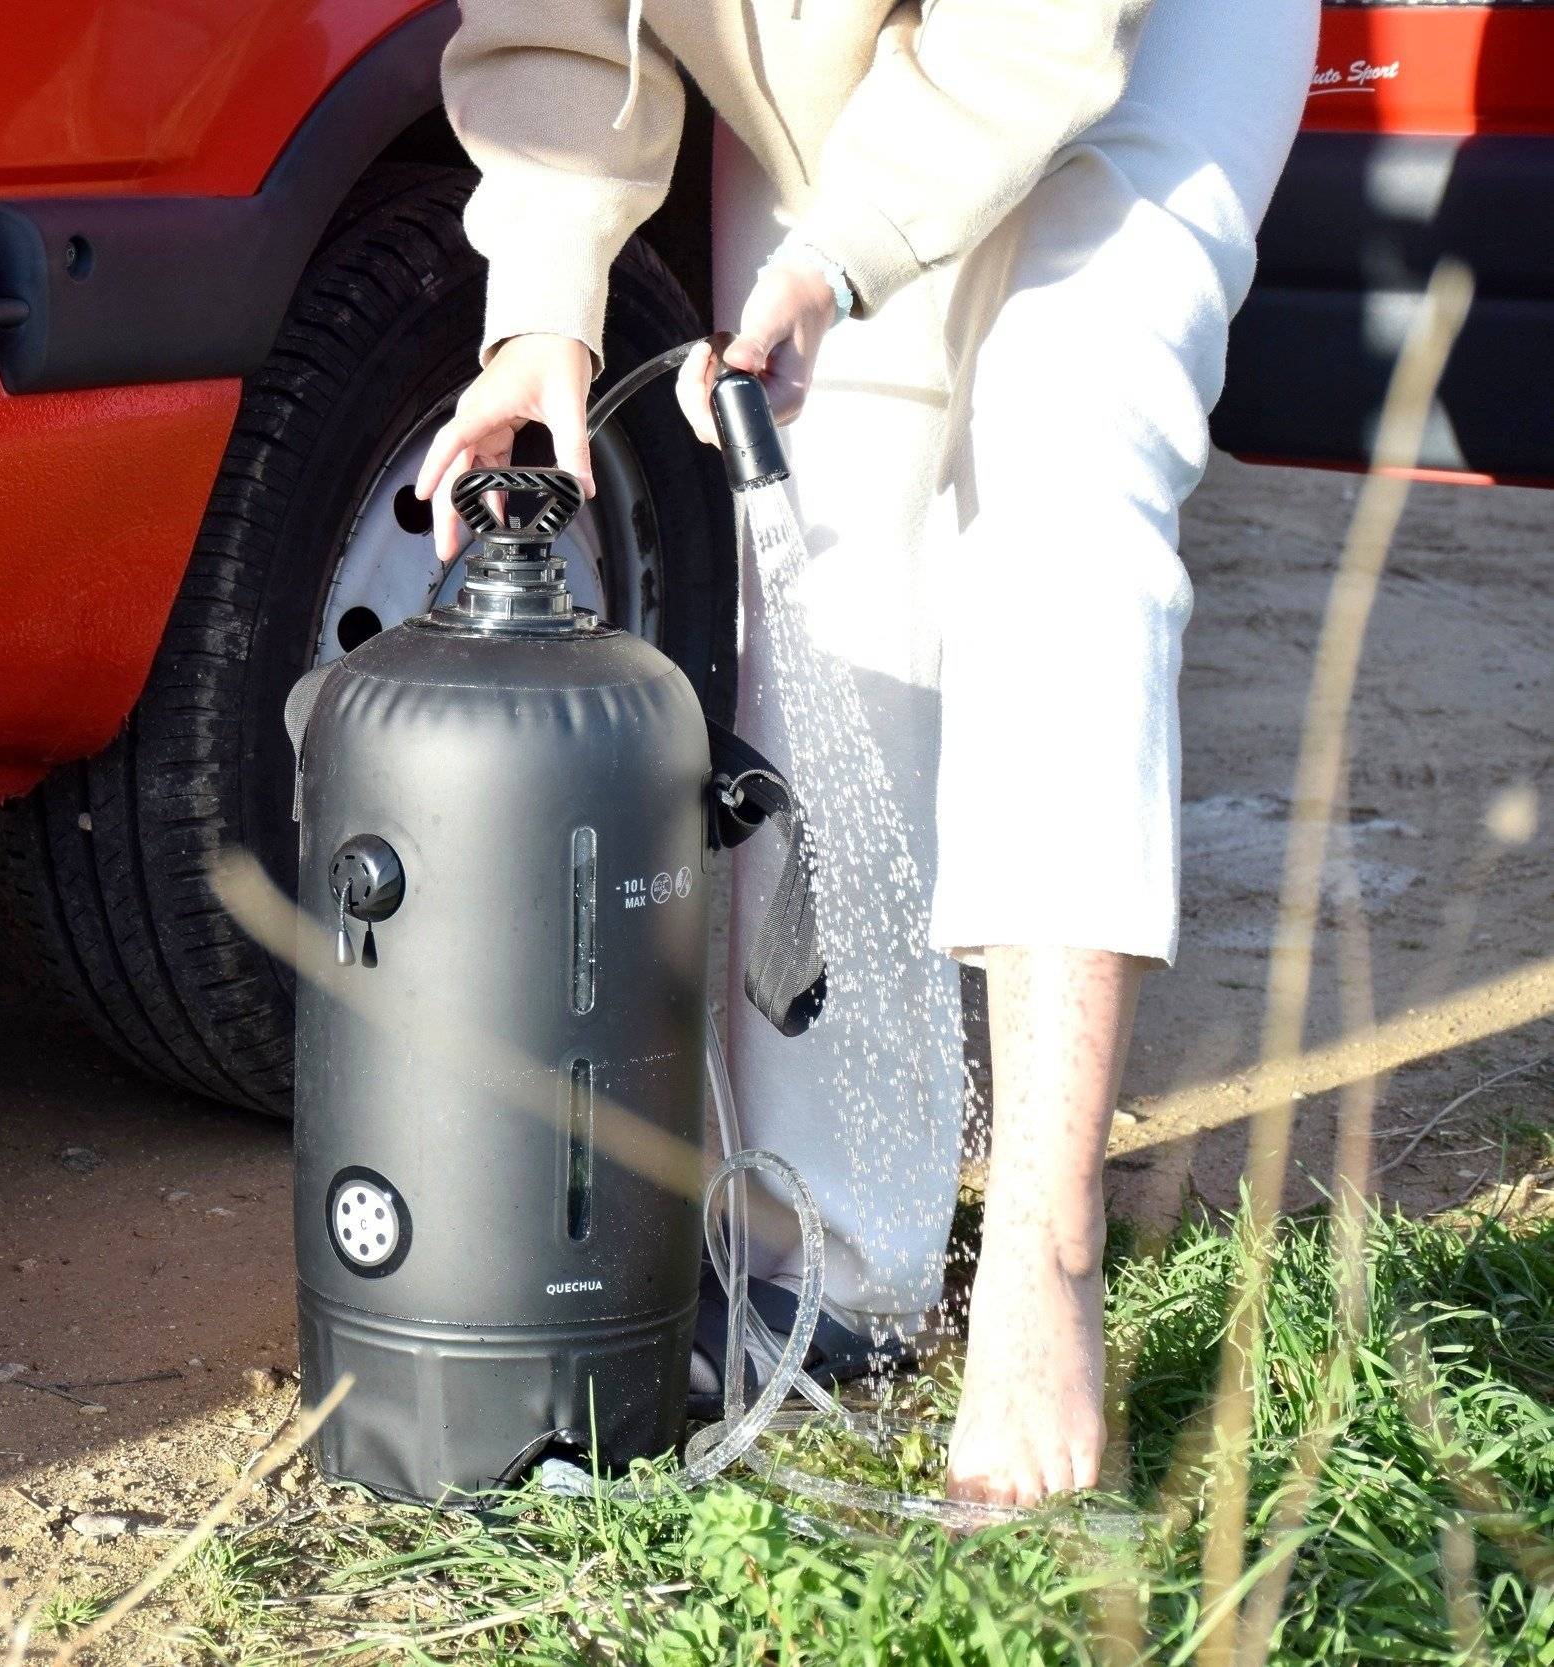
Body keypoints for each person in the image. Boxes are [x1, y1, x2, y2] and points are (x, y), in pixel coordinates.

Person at [416, 0, 1316, 1504]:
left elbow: (1037, 37)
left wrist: (841, 257)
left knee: (1064, 454)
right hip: (825, 76)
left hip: (1132, 31)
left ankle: (1042, 1259)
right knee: (827, 542)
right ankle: (832, 1264)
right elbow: (555, 31)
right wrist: (542, 318)